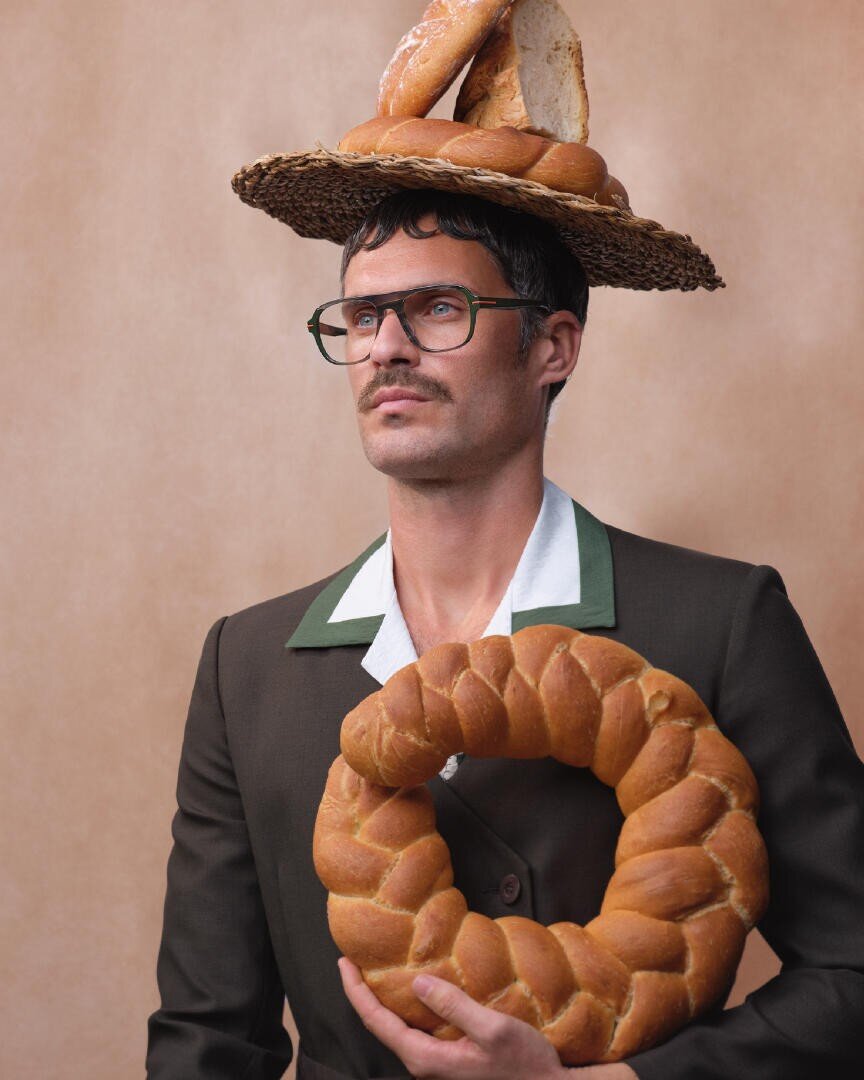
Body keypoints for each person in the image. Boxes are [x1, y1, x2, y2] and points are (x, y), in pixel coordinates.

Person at [146, 186, 864, 1079]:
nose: (387, 347)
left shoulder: (723, 622)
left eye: (438, 309)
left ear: (553, 348)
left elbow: (853, 975)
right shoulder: (246, 666)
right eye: (363, 316)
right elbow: (207, 1040)